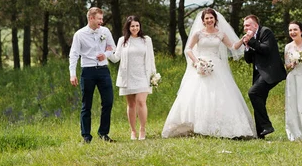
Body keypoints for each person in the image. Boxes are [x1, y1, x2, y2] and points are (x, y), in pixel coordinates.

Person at [161, 8, 256, 138]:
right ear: (203, 21)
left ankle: (221, 127)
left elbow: (232, 47)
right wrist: (196, 62)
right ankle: (194, 126)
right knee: (198, 95)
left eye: (211, 18)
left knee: (220, 96)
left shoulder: (220, 34)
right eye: (207, 18)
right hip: (201, 65)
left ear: (215, 19)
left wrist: (243, 39)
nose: (209, 20)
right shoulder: (198, 34)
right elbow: (188, 49)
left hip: (217, 67)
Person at [69, 7, 117, 144]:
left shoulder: (105, 31)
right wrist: (72, 74)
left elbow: (112, 47)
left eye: (102, 19)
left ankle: (103, 133)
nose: (101, 21)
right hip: (87, 71)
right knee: (86, 105)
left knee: (108, 102)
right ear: (91, 18)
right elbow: (74, 54)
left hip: (103, 70)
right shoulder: (79, 34)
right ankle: (86, 136)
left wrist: (106, 55)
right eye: (99, 19)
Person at [238, 14, 287, 139]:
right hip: (259, 74)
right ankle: (261, 133)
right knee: (259, 100)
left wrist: (251, 42)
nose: (245, 28)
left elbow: (266, 49)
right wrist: (247, 47)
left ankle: (267, 125)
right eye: (244, 26)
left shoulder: (266, 32)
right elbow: (248, 60)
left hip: (270, 72)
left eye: (247, 25)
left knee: (253, 93)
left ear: (255, 25)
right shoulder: (249, 39)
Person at [108, 15, 157, 141]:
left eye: (137, 25)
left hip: (143, 76)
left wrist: (153, 75)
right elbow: (116, 58)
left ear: (140, 26)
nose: (135, 28)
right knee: (131, 104)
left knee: (141, 101)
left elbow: (151, 59)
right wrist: (107, 53)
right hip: (127, 77)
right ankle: (133, 131)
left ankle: (142, 129)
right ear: (128, 27)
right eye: (132, 26)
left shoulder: (146, 40)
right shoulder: (122, 40)